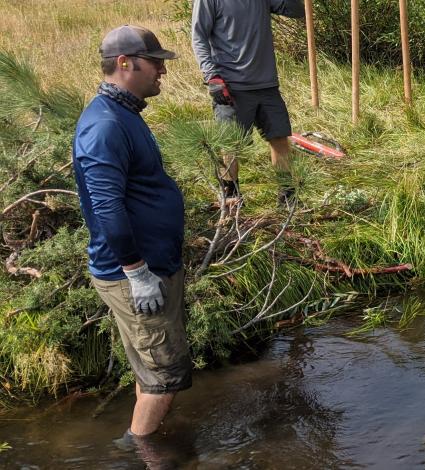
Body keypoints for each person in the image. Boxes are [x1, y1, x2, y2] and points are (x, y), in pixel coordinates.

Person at [73, 25, 191, 450]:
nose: (163, 69)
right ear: (124, 63)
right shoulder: (104, 126)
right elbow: (106, 209)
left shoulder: (124, 114)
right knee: (164, 377)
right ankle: (140, 453)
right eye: (155, 61)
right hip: (136, 276)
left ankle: (137, 446)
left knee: (150, 373)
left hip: (151, 265)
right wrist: (138, 273)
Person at [191, 0, 305, 207]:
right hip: (231, 85)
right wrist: (211, 75)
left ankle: (288, 198)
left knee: (279, 137)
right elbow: (199, 36)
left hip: (267, 84)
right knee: (231, 144)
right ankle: (231, 198)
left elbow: (297, 11)